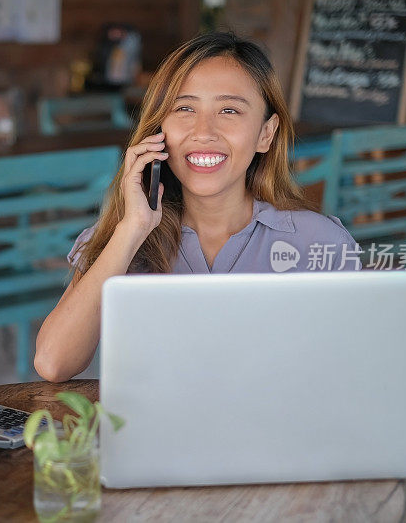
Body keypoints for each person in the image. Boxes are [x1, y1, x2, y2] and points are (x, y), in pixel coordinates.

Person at [34, 32, 360, 383]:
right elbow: (54, 363)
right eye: (185, 108)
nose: (204, 131)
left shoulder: (319, 241)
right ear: (159, 131)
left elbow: (352, 374)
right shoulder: (121, 237)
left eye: (229, 110)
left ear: (266, 134)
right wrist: (132, 230)